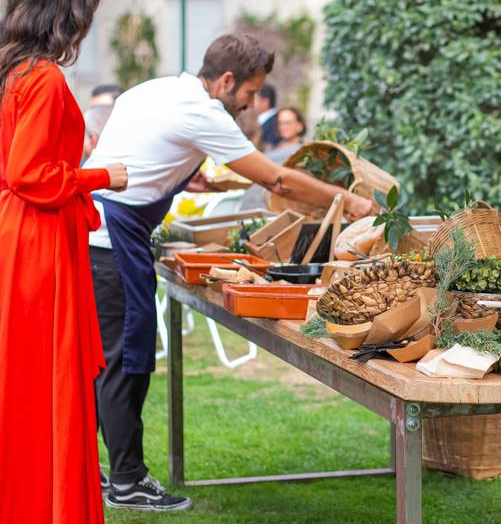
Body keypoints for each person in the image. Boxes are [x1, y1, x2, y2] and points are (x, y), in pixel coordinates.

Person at [84, 33, 377, 512]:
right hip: (113, 241)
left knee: (99, 360)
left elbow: (138, 156)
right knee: (126, 359)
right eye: (250, 92)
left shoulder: (151, 90)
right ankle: (127, 481)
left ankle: (85, 468)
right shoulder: (204, 113)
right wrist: (348, 199)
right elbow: (275, 178)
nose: (251, 104)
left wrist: (182, 173)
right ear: (225, 80)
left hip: (90, 232)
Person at [0, 0, 128, 524]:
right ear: (69, 13)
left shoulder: (11, 71)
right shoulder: (44, 77)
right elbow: (32, 175)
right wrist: (102, 175)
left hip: (15, 233)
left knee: (19, 378)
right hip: (37, 240)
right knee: (43, 378)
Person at [255, 82, 281, 149]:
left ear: (265, 102)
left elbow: (269, 148)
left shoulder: (276, 122)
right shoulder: (266, 120)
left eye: (255, 98)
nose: (251, 102)